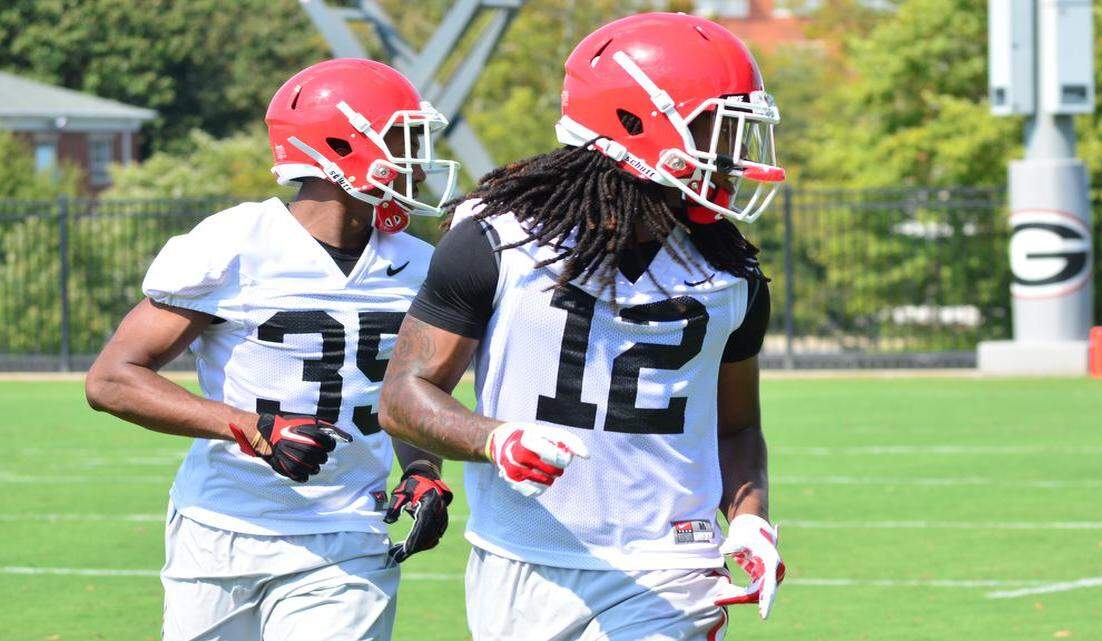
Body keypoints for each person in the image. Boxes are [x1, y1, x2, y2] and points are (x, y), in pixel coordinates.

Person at [379, 13, 786, 640]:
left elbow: (737, 426)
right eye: (715, 127)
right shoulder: (499, 242)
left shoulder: (730, 270)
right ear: (634, 121)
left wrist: (750, 515)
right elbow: (403, 398)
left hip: (671, 564)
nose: (732, 155)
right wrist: (496, 440)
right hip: (524, 556)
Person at [85, 58, 458, 641]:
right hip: (223, 528)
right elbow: (111, 379)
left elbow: (402, 394)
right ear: (341, 144)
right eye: (403, 139)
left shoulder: (418, 263)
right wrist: (251, 427)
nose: (419, 160)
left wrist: (420, 467)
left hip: (348, 532)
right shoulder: (238, 242)